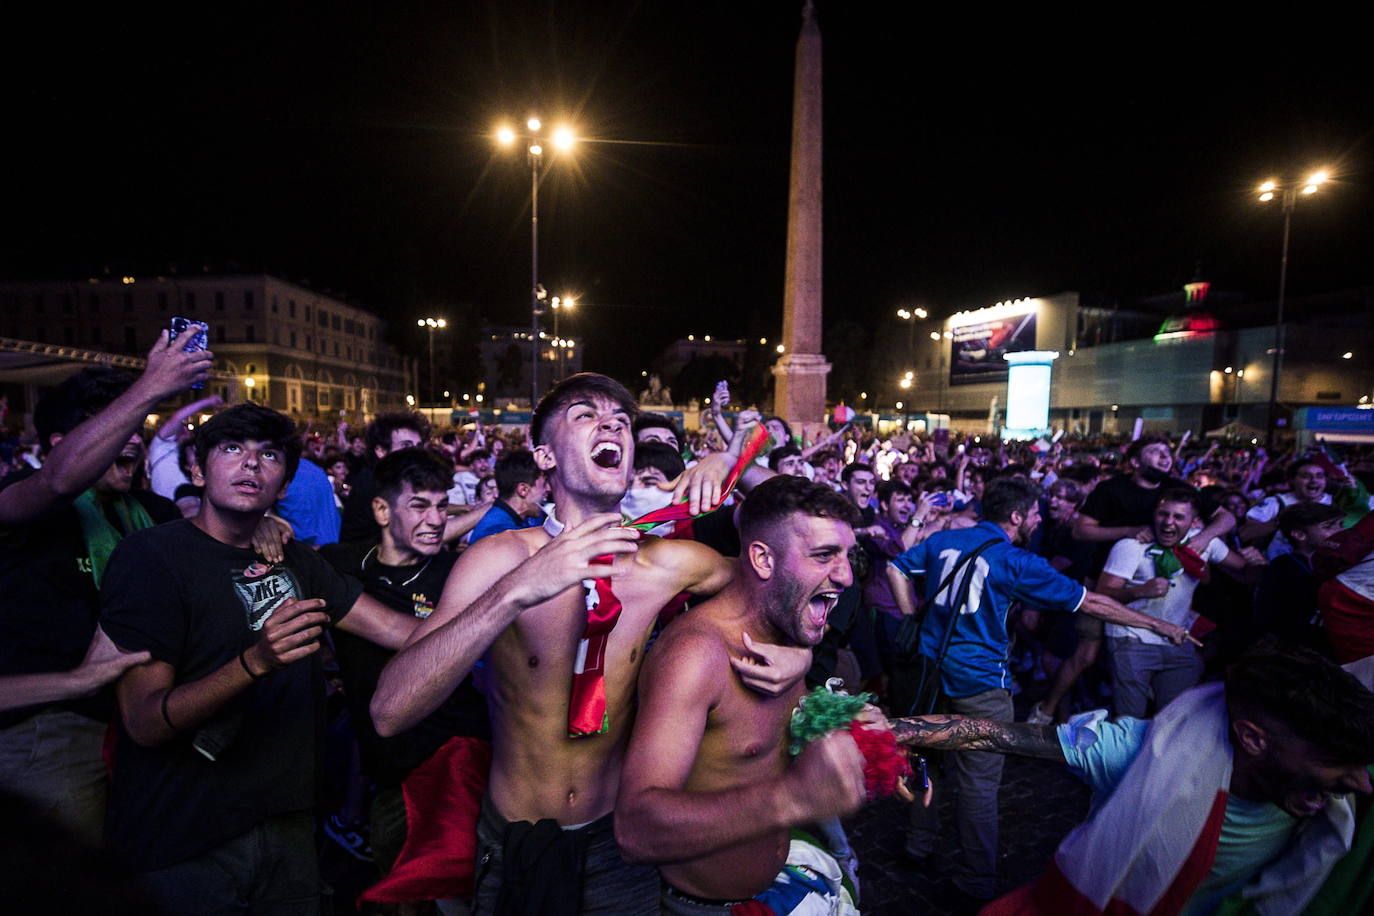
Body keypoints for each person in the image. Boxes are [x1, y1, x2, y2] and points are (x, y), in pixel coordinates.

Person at [371, 373, 808, 915]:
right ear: (545, 456)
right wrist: (518, 590)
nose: (611, 426)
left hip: (617, 841)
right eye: (585, 415)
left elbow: (786, 585)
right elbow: (390, 710)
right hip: (518, 840)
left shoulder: (664, 562)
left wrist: (800, 651)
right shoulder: (500, 560)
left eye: (621, 421)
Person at [99, 403, 424, 914]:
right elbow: (144, 722)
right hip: (185, 833)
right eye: (232, 449)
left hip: (287, 826)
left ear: (285, 486)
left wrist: (509, 600)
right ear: (197, 469)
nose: (251, 465)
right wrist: (255, 662)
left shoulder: (294, 559)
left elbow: (401, 633)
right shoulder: (151, 558)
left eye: (268, 455)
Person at [891, 642, 1374, 916]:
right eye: (1338, 764)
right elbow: (993, 734)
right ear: (1253, 739)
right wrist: (886, 730)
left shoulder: (1332, 790)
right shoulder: (1138, 752)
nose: (1361, 784)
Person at [887, 477, 1196, 903]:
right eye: (1034, 513)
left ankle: (917, 847)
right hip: (980, 684)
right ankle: (975, 880)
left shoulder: (946, 541)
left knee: (924, 763)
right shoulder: (1015, 560)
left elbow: (897, 566)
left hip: (929, 676)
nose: (1038, 519)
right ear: (1016, 517)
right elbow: (1092, 602)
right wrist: (1160, 625)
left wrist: (913, 617)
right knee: (978, 783)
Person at [615, 476, 867, 913]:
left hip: (774, 886)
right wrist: (794, 797)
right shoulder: (698, 655)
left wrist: (862, 738)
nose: (845, 575)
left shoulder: (783, 632)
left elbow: (777, 731)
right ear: (763, 560)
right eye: (824, 555)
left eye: (848, 556)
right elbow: (636, 829)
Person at [0, 340, 209, 848]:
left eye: (137, 425)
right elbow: (58, 480)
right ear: (58, 442)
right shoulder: (22, 500)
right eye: (114, 423)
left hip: (143, 724)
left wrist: (267, 528)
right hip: (50, 731)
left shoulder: (151, 511)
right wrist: (151, 386)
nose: (132, 437)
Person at [320, 448, 491, 900]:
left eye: (442, 505)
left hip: (457, 772)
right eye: (420, 505)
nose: (435, 518)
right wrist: (266, 524)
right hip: (389, 778)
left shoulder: (460, 572)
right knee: (398, 896)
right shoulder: (341, 565)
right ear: (380, 509)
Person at [1096, 488, 1267, 718]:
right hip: (1131, 638)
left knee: (1175, 719)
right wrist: (1139, 591)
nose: (1168, 522)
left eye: (1178, 517)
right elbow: (1102, 594)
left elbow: (1247, 574)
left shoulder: (1204, 544)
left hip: (1177, 640)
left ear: (1194, 521)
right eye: (1163, 514)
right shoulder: (1131, 547)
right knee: (1130, 720)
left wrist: (1258, 562)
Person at [1253, 500, 1345, 656]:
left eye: (1341, 524)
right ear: (1299, 534)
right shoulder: (1283, 568)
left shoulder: (1335, 564)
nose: (1340, 531)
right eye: (1329, 527)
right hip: (1298, 656)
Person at [340, 411, 429, 542]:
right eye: (406, 446)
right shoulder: (375, 482)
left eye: (418, 446)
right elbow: (421, 534)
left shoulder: (399, 477)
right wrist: (470, 515)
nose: (416, 453)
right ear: (381, 450)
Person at [468, 449, 548, 544]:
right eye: (544, 484)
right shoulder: (497, 536)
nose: (548, 489)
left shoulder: (526, 517)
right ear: (523, 490)